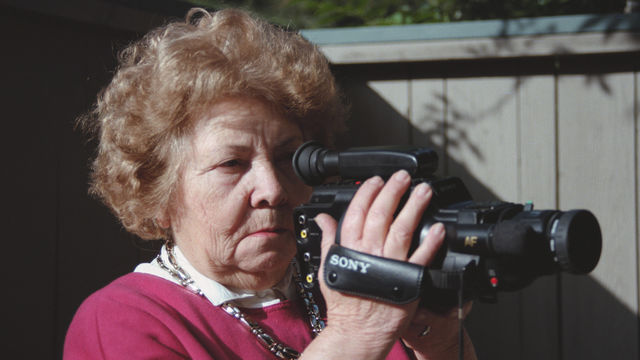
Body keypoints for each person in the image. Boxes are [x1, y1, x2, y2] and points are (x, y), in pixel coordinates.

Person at [64, 7, 476, 360]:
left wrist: (440, 346)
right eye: (231, 163)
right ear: (159, 196)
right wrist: (353, 336)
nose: (274, 189)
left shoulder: (346, 290)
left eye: (288, 158)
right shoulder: (124, 320)